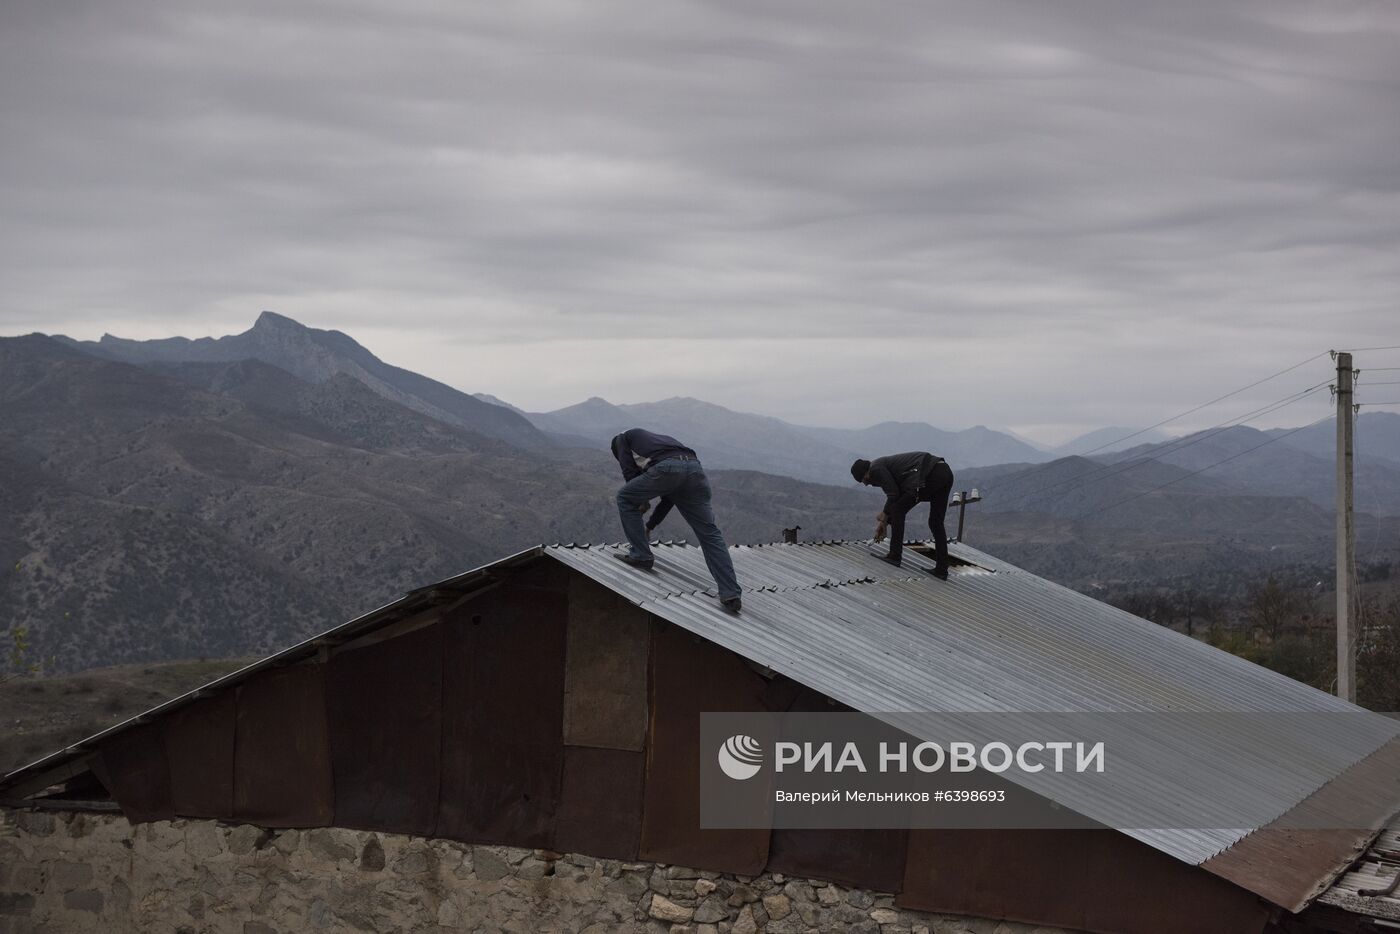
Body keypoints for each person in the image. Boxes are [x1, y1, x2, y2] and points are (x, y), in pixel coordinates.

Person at [610, 428, 743, 613]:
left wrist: (640, 499)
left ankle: (641, 555)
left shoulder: (622, 439)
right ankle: (731, 594)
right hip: (695, 469)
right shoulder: (659, 444)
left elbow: (628, 469)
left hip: (668, 469)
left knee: (624, 498)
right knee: (710, 534)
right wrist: (650, 525)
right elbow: (671, 496)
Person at [850, 452, 954, 579]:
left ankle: (894, 555)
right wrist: (884, 522)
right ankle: (942, 569)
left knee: (897, 510)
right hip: (944, 472)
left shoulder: (875, 469)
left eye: (863, 480)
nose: (866, 484)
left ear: (866, 473)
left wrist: (885, 515)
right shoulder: (880, 465)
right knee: (935, 522)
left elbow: (893, 494)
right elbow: (896, 494)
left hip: (929, 473)